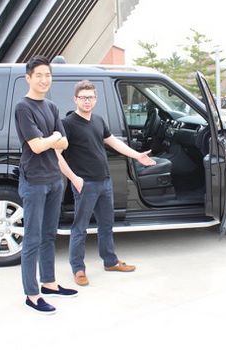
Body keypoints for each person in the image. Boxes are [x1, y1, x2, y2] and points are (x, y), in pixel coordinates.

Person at [57, 80, 156, 286]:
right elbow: (56, 154)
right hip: (85, 185)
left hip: (104, 181)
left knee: (106, 225)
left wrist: (137, 155)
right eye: (83, 97)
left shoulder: (98, 121)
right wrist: (74, 179)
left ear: (96, 99)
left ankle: (110, 261)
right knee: (80, 228)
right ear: (75, 99)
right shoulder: (67, 124)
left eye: (91, 97)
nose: (87, 101)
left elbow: (115, 143)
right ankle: (78, 268)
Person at [15, 55, 78, 315]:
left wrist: (51, 138)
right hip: (34, 181)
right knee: (32, 238)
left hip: (54, 179)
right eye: (38, 75)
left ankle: (49, 283)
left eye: (47, 75)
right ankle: (32, 294)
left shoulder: (51, 107)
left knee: (49, 235)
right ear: (29, 77)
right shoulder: (23, 107)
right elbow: (37, 145)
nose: (44, 79)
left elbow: (64, 143)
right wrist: (53, 137)